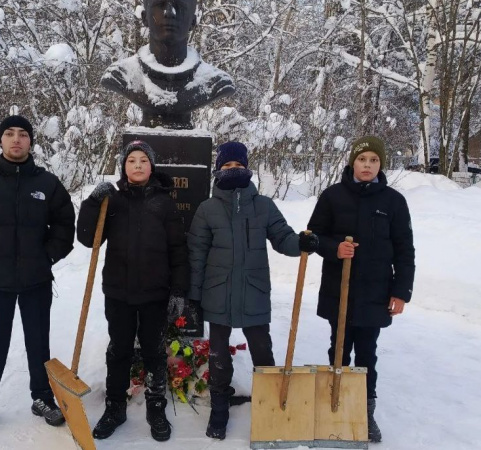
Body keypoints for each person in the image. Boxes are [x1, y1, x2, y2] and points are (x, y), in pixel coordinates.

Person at [0, 115, 76, 437]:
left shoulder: (46, 183)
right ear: (1, 141)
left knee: (38, 343)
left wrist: (48, 255)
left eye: (23, 134)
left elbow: (65, 223)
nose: (17, 139)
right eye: (10, 134)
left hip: (36, 279)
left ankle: (42, 397)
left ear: (31, 142)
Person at [187, 141, 319, 440]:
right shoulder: (207, 209)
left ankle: (270, 404)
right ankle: (219, 406)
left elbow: (282, 237)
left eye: (237, 165)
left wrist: (300, 243)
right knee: (219, 355)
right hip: (217, 290)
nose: (232, 170)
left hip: (254, 289)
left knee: (263, 350)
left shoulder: (264, 205)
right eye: (226, 166)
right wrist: (194, 296)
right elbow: (196, 254)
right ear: (218, 170)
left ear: (246, 168)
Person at [76, 140, 189, 442]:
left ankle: (156, 406)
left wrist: (178, 290)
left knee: (153, 350)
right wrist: (91, 202)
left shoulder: (165, 203)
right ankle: (115, 407)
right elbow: (89, 239)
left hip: (155, 294)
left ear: (152, 166)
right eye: (131, 161)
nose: (137, 165)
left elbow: (178, 250)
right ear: (124, 167)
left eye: (143, 160)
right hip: (119, 292)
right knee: (119, 350)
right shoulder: (113, 201)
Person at [306, 136, 415, 443]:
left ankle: (365, 413)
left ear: (381, 165)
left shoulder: (393, 202)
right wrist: (334, 248)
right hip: (338, 290)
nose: (367, 165)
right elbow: (312, 237)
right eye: (362, 159)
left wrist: (401, 292)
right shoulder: (332, 196)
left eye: (374, 160)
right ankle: (334, 404)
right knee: (338, 349)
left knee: (367, 354)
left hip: (375, 292)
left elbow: (405, 250)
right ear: (352, 162)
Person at [100, 0, 235, 129]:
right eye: (160, 4)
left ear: (193, 21)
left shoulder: (215, 83)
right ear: (145, 17)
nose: (170, 12)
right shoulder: (121, 75)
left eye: (180, 5)